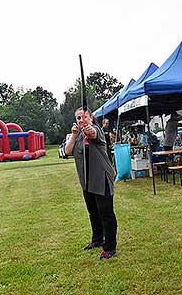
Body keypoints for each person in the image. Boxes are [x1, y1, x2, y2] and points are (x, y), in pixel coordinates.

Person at [65, 107, 118, 260]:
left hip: (101, 178)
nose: (82, 120)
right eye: (78, 118)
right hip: (87, 181)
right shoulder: (78, 135)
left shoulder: (96, 130)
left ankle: (110, 247)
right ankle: (97, 239)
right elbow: (68, 151)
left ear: (91, 118)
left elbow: (93, 134)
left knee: (106, 213)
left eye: (84, 117)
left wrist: (89, 129)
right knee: (93, 212)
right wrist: (74, 135)